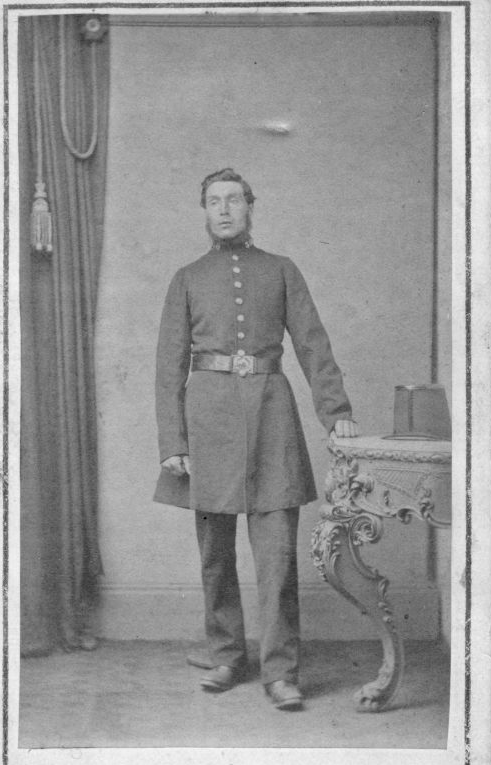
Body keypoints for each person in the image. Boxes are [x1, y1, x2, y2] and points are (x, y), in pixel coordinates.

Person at [154, 168, 358, 711]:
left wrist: (335, 412)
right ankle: (226, 654)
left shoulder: (281, 270)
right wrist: (173, 440)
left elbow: (313, 343)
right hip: (209, 423)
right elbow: (168, 367)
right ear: (204, 212)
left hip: (272, 419)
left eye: (234, 200)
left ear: (250, 207)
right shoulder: (187, 278)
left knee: (277, 557)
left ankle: (280, 670)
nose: (224, 210)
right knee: (215, 554)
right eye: (214, 202)